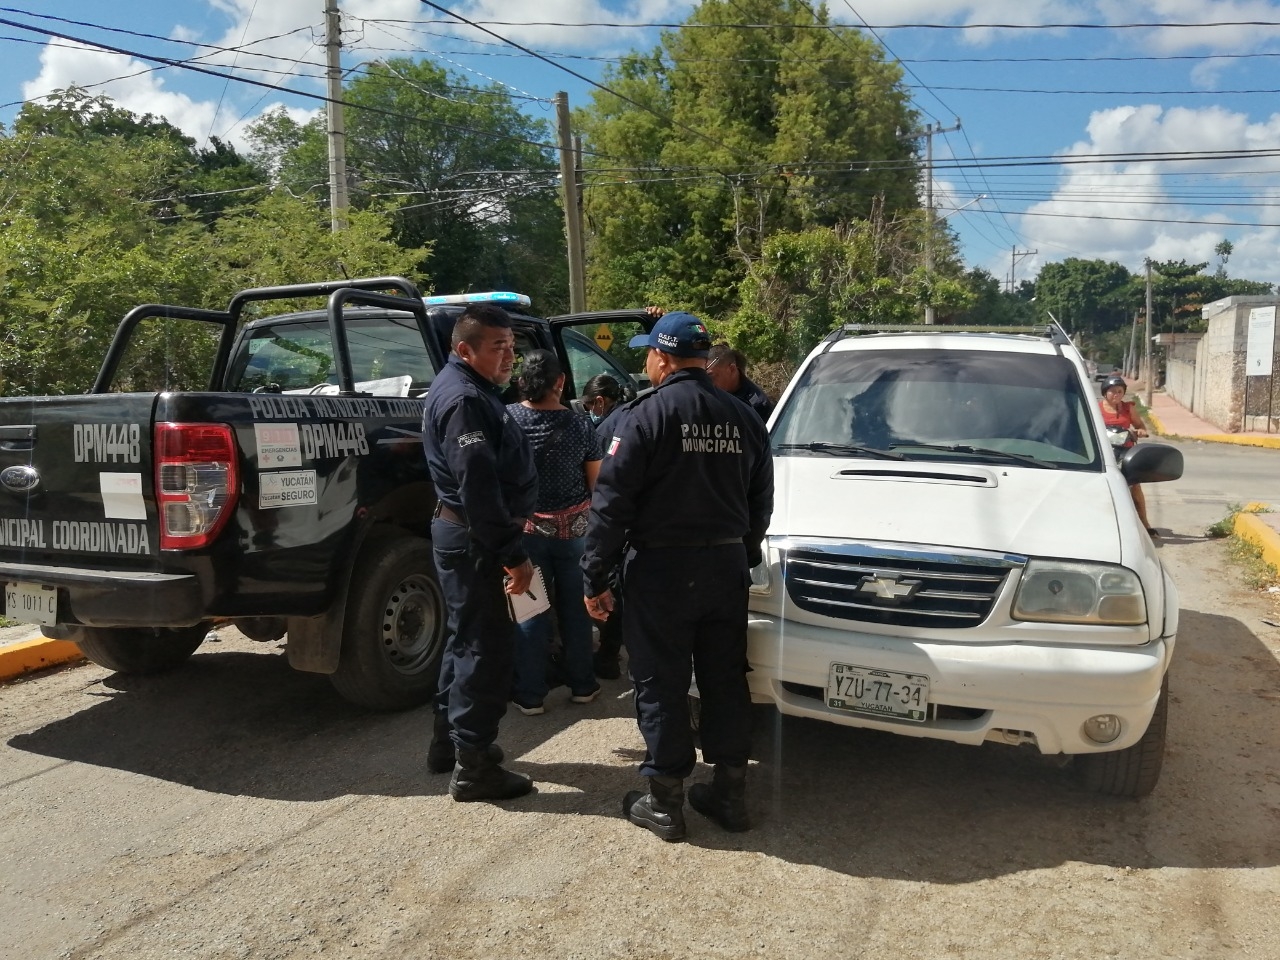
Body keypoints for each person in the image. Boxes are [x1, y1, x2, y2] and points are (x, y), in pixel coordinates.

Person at [581, 312, 774, 841]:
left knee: (660, 681)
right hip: (724, 567)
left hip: (662, 570)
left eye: (648, 353)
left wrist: (594, 576)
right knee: (724, 678)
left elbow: (611, 508)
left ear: (662, 359)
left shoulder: (642, 417)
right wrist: (742, 550)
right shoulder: (745, 418)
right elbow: (762, 502)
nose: (646, 362)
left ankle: (665, 801)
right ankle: (729, 795)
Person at [422, 303, 537, 802]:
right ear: (464, 348)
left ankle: (449, 744)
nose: (509, 356)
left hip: (469, 535)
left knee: (463, 639)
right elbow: (480, 488)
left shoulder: (473, 391)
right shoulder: (464, 399)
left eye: (512, 346)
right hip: (478, 539)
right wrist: (515, 554)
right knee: (483, 649)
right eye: (498, 347)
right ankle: (473, 767)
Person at [507, 350, 604, 713]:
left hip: (526, 532)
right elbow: (597, 484)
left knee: (530, 611)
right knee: (576, 611)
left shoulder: (508, 421)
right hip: (575, 532)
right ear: (560, 382)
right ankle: (582, 684)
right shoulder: (581, 425)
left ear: (522, 382)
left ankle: (530, 694)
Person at [580, 374, 628, 680]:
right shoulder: (635, 414)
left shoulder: (606, 429)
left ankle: (609, 655)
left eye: (588, 405)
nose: (587, 411)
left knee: (610, 588)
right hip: (635, 516)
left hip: (613, 516)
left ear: (600, 402)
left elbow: (599, 482)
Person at [1098, 374, 1157, 537]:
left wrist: (1140, 431)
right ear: (1105, 393)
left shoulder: (1128, 408)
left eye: (1119, 391)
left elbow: (1140, 426)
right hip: (1105, 451)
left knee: (1135, 486)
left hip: (1126, 451)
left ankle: (1145, 523)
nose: (1116, 395)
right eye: (1112, 392)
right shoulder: (1097, 409)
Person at [707, 343, 775, 422]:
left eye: (712, 376)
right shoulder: (710, 390)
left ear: (731, 369)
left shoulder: (758, 405)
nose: (708, 382)